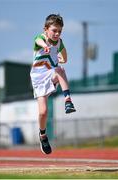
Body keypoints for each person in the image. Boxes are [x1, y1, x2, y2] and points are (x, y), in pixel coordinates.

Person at [30, 14, 76, 154]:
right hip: (38, 78)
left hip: (51, 74)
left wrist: (63, 58)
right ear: (46, 29)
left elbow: (64, 55)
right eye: (54, 30)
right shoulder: (41, 38)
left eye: (59, 31)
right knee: (43, 112)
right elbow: (38, 40)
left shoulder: (59, 42)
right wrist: (45, 46)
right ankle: (43, 135)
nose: (57, 34)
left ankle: (68, 100)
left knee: (60, 70)